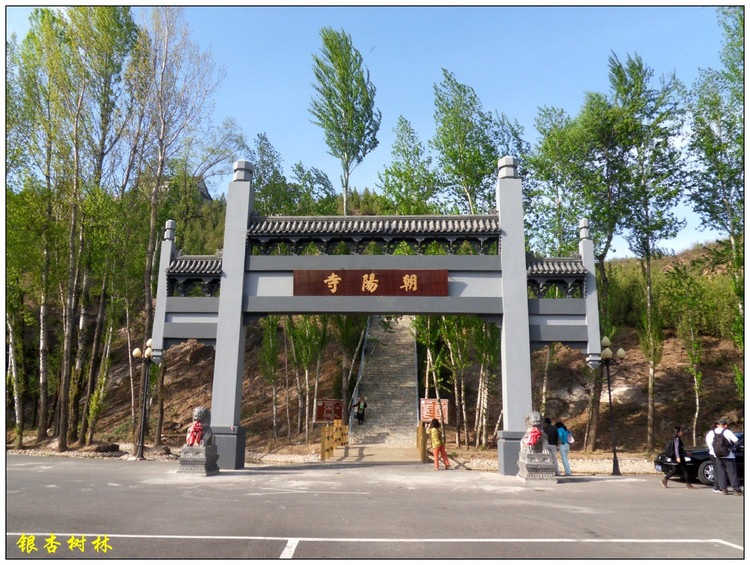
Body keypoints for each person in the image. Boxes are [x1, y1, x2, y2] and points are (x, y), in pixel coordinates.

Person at [706, 419, 743, 496]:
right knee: (732, 472)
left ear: (717, 425)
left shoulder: (711, 432)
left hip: (717, 455)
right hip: (728, 455)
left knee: (721, 472)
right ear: (725, 425)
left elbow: (709, 443)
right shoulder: (727, 431)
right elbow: (736, 440)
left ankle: (723, 489)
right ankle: (736, 489)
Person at [705, 420, 721, 493]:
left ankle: (718, 486)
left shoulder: (710, 433)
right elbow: (711, 445)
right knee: (718, 470)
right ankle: (717, 486)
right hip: (715, 454)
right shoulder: (713, 433)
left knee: (718, 470)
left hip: (713, 453)